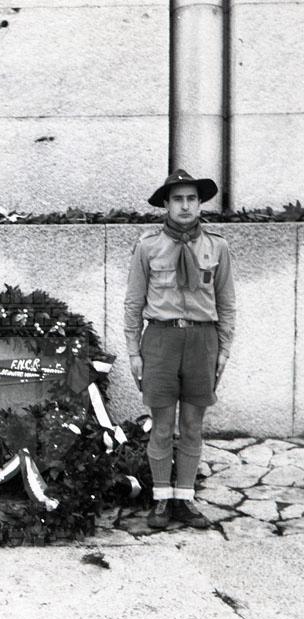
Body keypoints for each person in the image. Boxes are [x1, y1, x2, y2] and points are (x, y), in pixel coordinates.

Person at [124, 169, 235, 529]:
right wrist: (133, 352)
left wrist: (224, 348)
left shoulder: (217, 247)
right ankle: (161, 499)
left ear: (200, 204)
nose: (185, 206)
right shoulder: (148, 247)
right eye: (178, 199)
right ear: (166, 205)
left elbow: (226, 303)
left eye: (191, 199)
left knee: (191, 425)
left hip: (203, 341)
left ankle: (184, 499)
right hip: (160, 341)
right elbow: (133, 303)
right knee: (160, 426)